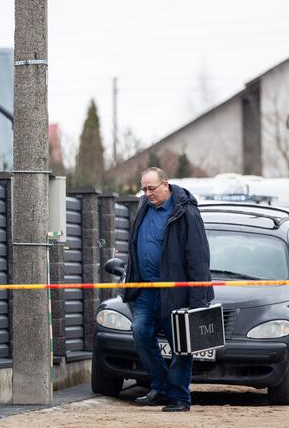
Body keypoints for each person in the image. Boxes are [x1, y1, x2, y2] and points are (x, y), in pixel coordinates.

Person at [122, 167, 213, 412]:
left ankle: (180, 398)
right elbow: (135, 246)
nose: (147, 193)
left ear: (166, 185)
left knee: (181, 346)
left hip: (175, 293)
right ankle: (161, 387)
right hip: (146, 290)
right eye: (144, 188)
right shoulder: (144, 207)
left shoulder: (186, 212)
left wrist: (198, 299)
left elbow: (198, 257)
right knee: (140, 332)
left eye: (151, 188)